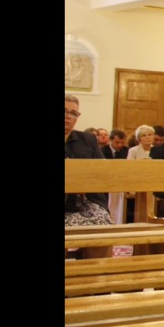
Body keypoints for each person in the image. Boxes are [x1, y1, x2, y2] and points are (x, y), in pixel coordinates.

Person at [64, 93, 111, 227]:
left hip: (85, 200)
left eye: (73, 113)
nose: (68, 116)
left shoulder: (87, 139)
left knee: (103, 220)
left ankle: (90, 248)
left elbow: (101, 170)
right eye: (65, 111)